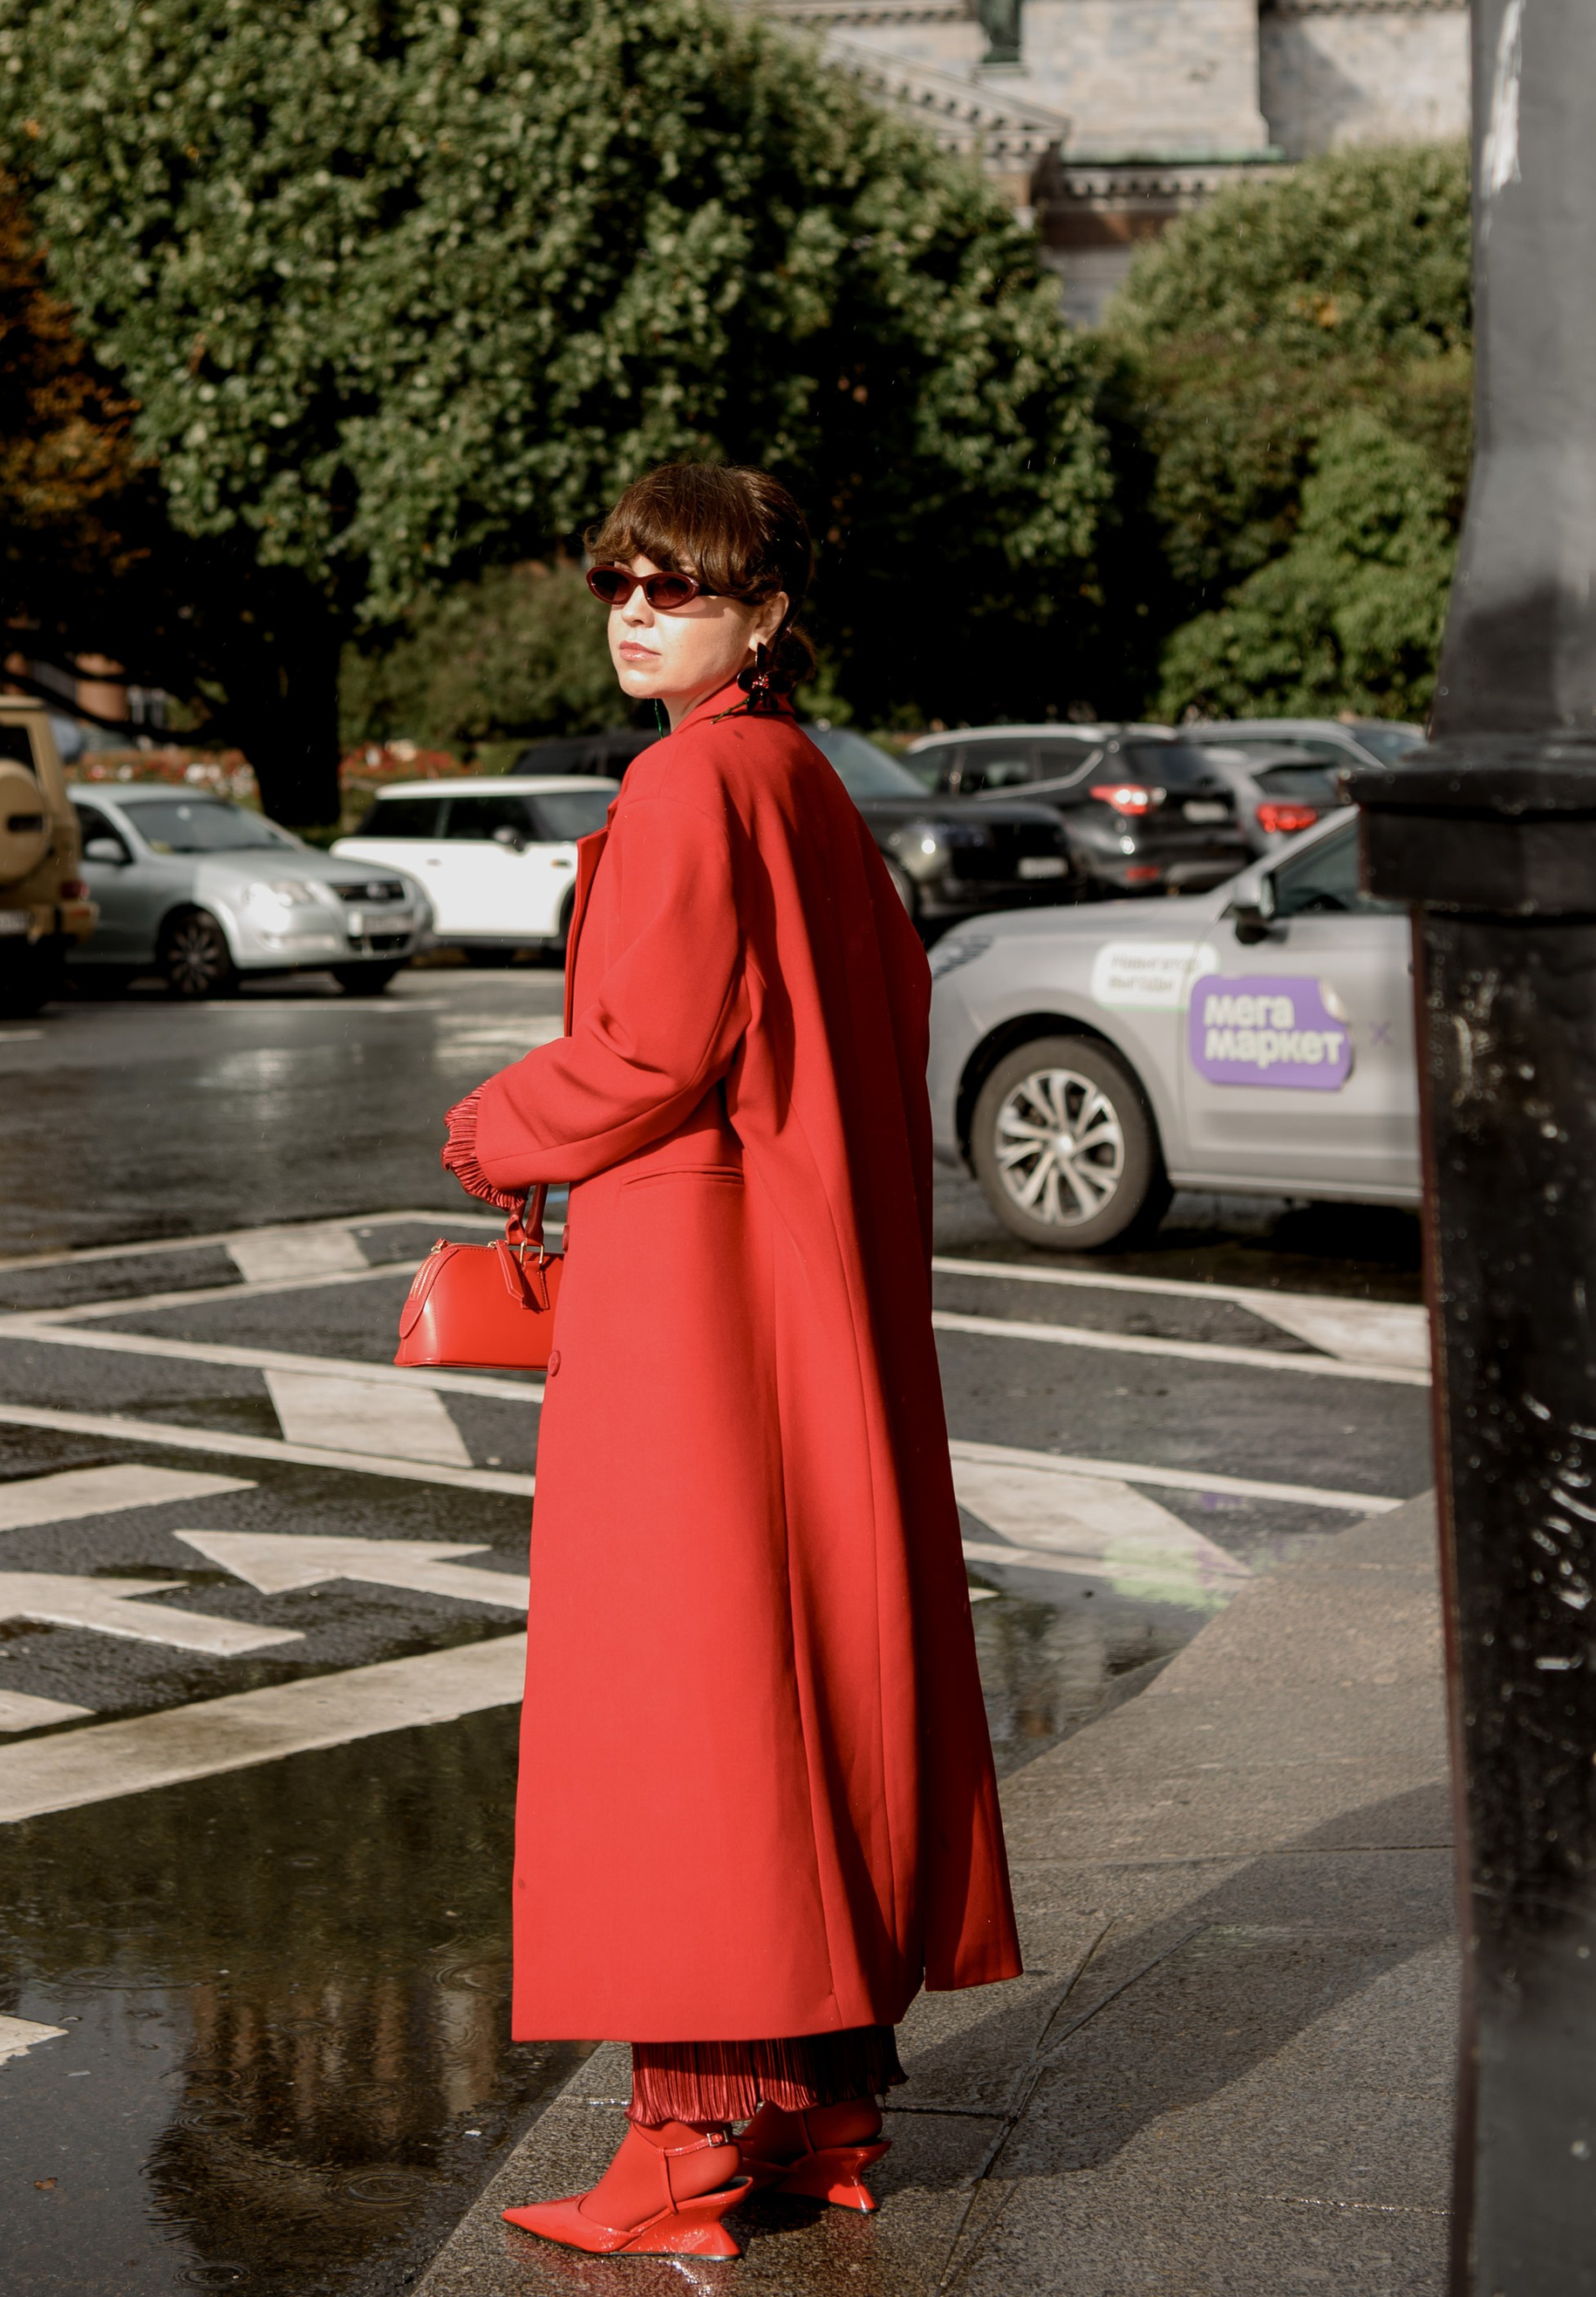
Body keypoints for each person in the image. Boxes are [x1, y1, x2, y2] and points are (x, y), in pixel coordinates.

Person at [442, 461, 1020, 2261]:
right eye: (616, 580)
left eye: (676, 588)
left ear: (763, 614)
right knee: (805, 1692)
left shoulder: (688, 779)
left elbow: (646, 1049)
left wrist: (487, 1128)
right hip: (807, 1303)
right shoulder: (809, 789)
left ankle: (687, 2157)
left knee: (685, 1716)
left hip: (693, 1322)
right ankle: (818, 2112)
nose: (634, 611)